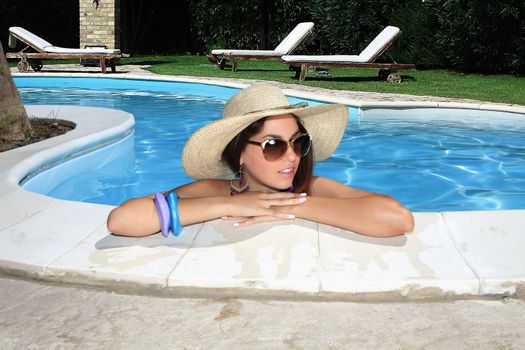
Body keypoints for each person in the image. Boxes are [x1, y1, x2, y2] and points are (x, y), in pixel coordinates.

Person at [107, 84, 414, 238]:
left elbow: (398, 218)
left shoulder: (310, 188)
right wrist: (230, 205)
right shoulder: (213, 190)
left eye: (299, 143)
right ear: (240, 152)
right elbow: (123, 220)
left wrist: (289, 205)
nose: (293, 156)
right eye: (273, 145)